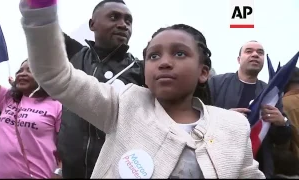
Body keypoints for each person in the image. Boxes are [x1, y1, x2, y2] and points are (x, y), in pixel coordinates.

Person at [19, 1, 265, 178]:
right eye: (154, 56)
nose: (165, 62)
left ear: (203, 72)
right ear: (146, 73)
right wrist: (40, 12)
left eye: (179, 53)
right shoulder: (124, 104)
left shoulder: (233, 126)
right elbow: (56, 74)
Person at [57, 0, 145, 178]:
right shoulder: (73, 54)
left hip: (116, 172)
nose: (123, 25)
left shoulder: (141, 70)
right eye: (114, 17)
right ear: (92, 24)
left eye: (128, 21)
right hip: (70, 171)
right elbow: (43, 26)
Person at [208, 40, 291, 178]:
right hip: (218, 162)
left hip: (259, 166)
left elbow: (280, 140)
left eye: (260, 52)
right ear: (239, 59)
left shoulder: (271, 92)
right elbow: (198, 117)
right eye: (249, 51)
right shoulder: (216, 83)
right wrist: (225, 117)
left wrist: (282, 123)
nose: (255, 55)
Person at [0, 57, 62, 178]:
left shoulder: (58, 105)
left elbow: (69, 148)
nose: (22, 74)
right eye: (20, 70)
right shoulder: (7, 99)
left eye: (30, 70)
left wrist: (59, 174)